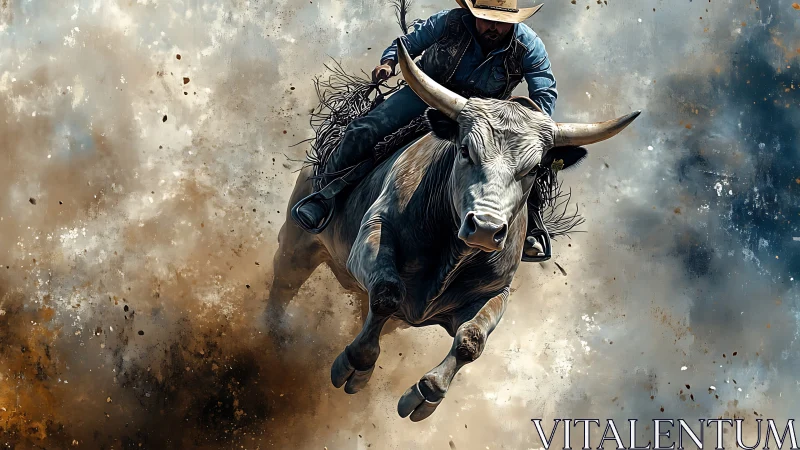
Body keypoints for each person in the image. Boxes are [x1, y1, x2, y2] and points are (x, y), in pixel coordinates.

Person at [293, 0, 558, 261]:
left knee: (527, 161)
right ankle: (324, 196)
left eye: (502, 23)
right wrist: (388, 63)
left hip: (481, 119)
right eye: (488, 18)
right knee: (365, 128)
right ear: (473, 13)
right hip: (428, 95)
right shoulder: (449, 22)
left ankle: (530, 228)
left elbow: (544, 91)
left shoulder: (528, 45)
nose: (494, 28)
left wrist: (534, 128)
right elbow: (407, 44)